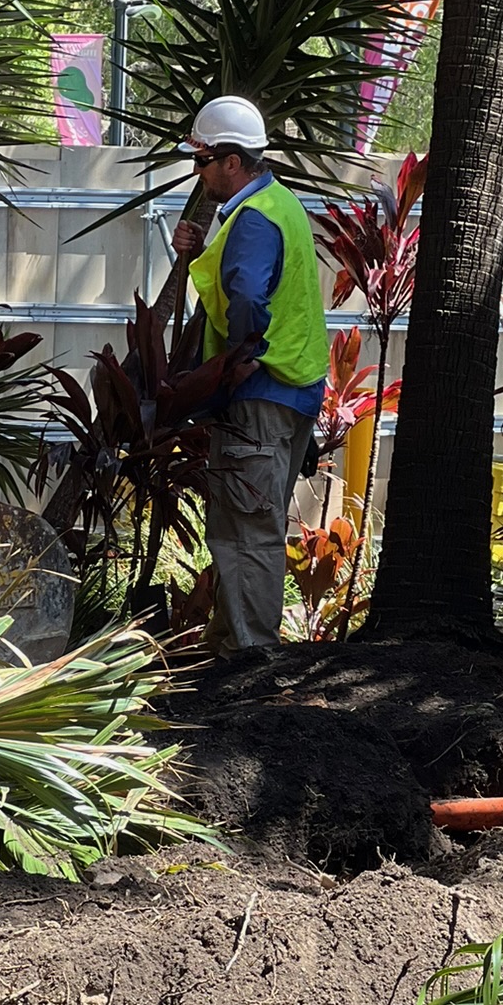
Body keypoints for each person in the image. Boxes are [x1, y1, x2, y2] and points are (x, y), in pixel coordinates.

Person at [172, 96, 329, 652]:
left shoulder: (256, 218)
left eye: (203, 161)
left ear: (232, 160)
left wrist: (233, 362)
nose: (199, 173)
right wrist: (198, 248)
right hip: (292, 389)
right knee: (247, 525)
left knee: (245, 531)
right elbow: (238, 274)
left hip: (258, 391)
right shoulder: (274, 204)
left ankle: (254, 654)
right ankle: (228, 644)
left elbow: (246, 293)